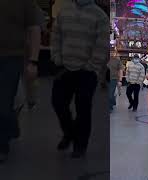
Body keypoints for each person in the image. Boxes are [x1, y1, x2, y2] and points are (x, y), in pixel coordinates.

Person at [51, 0, 108, 158]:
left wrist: (91, 65)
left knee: (83, 108)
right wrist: (56, 57)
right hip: (64, 68)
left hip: (86, 71)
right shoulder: (64, 11)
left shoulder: (100, 16)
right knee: (58, 102)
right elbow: (56, 36)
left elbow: (102, 44)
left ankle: (80, 145)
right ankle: (69, 133)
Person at [0, 0, 42, 162]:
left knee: (4, 101)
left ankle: (2, 146)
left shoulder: (24, 3)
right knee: (6, 102)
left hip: (12, 57)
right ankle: (11, 125)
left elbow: (34, 29)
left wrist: (33, 61)